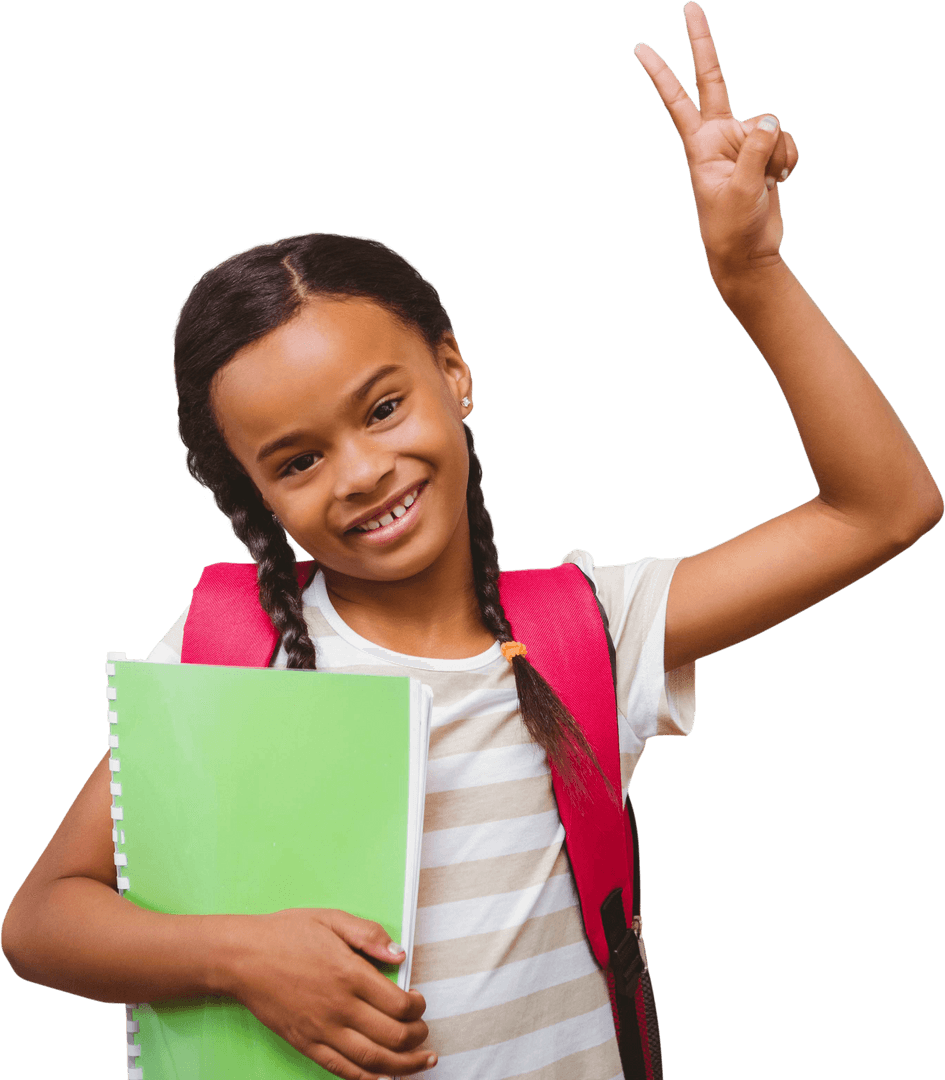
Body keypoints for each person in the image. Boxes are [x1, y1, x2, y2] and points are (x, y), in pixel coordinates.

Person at [2, 4, 940, 1078]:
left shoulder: (595, 631)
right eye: (297, 461)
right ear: (254, 496)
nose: (362, 472)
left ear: (454, 372)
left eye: (382, 407)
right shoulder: (229, 653)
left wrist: (751, 274)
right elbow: (41, 919)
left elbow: (883, 508)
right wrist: (242, 958)